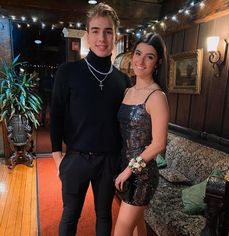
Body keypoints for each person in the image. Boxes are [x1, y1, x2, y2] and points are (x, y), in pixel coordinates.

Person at [50, 3, 129, 236]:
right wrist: (57, 158)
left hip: (108, 161)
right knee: (70, 215)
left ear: (115, 36)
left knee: (104, 215)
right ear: (87, 35)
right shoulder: (68, 72)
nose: (101, 38)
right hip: (75, 159)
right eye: (95, 30)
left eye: (108, 31)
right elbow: (56, 115)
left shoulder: (123, 80)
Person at [114, 33, 169, 236]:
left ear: (157, 63)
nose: (141, 60)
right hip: (123, 166)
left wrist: (129, 170)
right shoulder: (127, 91)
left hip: (142, 175)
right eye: (138, 53)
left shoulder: (157, 96)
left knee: (121, 232)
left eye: (150, 56)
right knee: (138, 227)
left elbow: (158, 144)